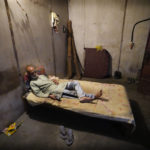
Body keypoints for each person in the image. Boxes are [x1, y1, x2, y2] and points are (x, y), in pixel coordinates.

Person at [26, 65, 103, 103]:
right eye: (32, 73)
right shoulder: (32, 83)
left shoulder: (41, 76)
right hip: (54, 91)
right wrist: (49, 95)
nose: (35, 73)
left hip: (58, 86)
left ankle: (82, 97)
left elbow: (48, 80)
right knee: (73, 93)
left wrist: (53, 80)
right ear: (29, 74)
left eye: (35, 71)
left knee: (75, 83)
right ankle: (93, 96)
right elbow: (38, 93)